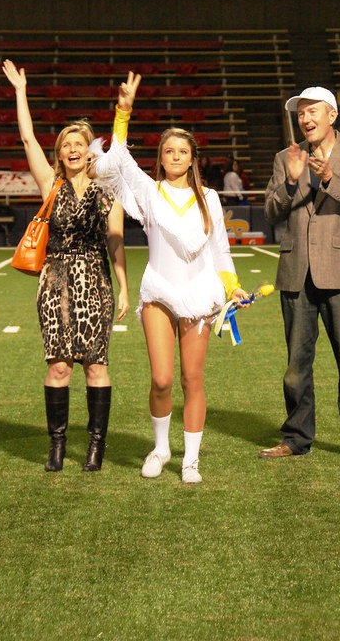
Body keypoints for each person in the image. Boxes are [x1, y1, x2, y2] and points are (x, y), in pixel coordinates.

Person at [91, 73, 249, 483]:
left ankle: (190, 458)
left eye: (182, 151)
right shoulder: (147, 191)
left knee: (190, 378)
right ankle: (160, 448)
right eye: (168, 151)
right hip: (158, 291)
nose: (175, 157)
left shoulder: (209, 198)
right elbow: (115, 163)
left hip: (199, 294)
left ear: (193, 158)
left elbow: (220, 251)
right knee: (161, 379)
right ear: (160, 157)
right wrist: (123, 113)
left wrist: (232, 287)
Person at [2, 60, 129, 472]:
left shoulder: (106, 188)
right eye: (66, 144)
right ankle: (56, 445)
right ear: (59, 153)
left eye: (80, 143)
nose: (73, 150)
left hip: (95, 279)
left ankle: (96, 446)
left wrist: (124, 287)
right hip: (54, 279)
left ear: (90, 149)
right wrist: (21, 90)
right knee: (58, 364)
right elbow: (25, 138)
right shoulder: (50, 185)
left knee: (95, 363)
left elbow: (116, 240)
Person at [260, 86, 340, 462]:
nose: (305, 120)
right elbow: (270, 211)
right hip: (296, 273)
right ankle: (296, 437)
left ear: (332, 115)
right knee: (296, 365)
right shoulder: (286, 157)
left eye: (312, 112)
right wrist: (292, 181)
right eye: (300, 114)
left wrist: (329, 178)